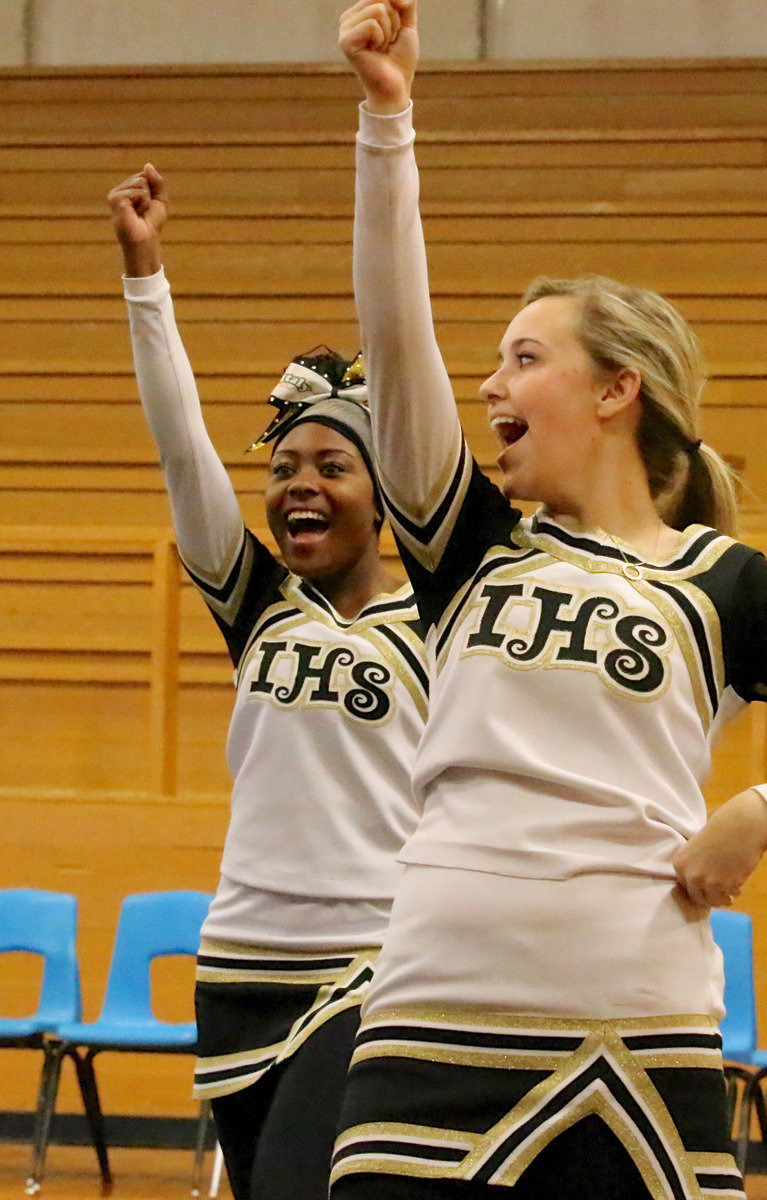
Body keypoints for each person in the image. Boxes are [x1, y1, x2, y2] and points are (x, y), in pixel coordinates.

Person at [330, 3, 767, 1198]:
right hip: (432, 1021)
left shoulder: (724, 583)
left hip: (640, 1032)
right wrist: (386, 119)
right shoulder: (470, 546)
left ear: (616, 391)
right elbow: (393, 336)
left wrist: (762, 813)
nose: (488, 384)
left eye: (525, 358)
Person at [107, 164, 427, 1200]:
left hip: (373, 961)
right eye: (284, 468)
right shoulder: (258, 605)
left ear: (387, 493)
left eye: (332, 466)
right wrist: (144, 274)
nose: (300, 485)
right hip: (239, 963)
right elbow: (179, 448)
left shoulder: (448, 618)